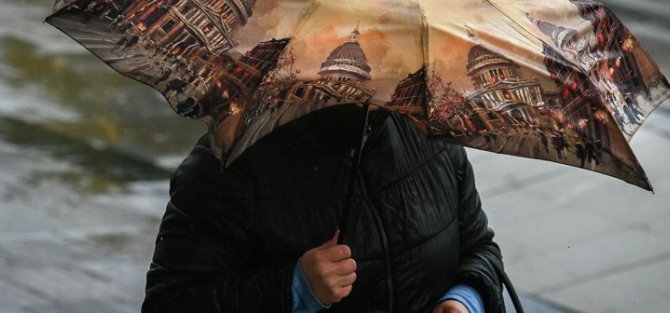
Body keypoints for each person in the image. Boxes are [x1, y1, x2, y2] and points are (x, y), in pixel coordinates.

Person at [142, 104, 506, 313]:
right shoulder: (225, 168)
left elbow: (478, 248)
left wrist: (464, 299)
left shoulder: (427, 131)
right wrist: (293, 288)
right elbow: (170, 304)